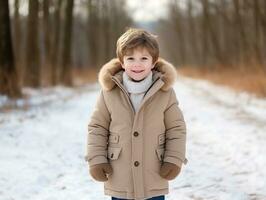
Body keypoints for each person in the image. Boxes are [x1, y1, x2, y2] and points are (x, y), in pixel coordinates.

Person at [85, 28, 187, 200]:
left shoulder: (165, 92)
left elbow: (176, 128)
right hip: (120, 176)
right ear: (122, 62)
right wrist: (96, 159)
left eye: (144, 58)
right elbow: (97, 127)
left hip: (153, 174)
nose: (137, 64)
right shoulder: (110, 92)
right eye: (130, 58)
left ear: (153, 62)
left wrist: (174, 158)